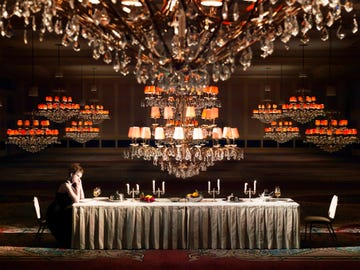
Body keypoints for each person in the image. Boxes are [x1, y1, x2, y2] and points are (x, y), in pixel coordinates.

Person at [46, 163, 85, 248]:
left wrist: (80, 185)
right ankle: (70, 241)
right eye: (78, 176)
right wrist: (78, 189)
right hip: (56, 213)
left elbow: (82, 198)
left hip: (64, 210)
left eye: (80, 178)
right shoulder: (65, 185)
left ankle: (77, 239)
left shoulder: (73, 185)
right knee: (74, 216)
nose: (79, 179)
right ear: (71, 174)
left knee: (77, 214)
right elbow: (76, 200)